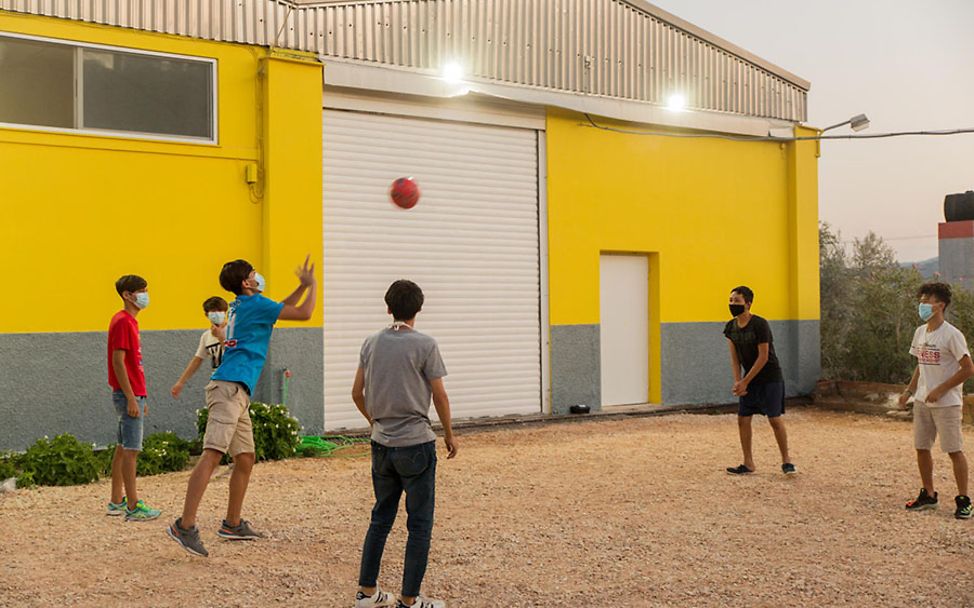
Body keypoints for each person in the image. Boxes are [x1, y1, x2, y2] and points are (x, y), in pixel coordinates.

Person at [167, 256, 316, 557]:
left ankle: (232, 524)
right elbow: (303, 313)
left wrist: (300, 286)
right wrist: (311, 287)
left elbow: (277, 309)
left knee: (245, 458)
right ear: (247, 283)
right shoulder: (256, 305)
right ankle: (185, 525)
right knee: (212, 454)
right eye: (253, 274)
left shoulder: (243, 305)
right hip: (229, 388)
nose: (258, 276)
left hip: (237, 390)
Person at [352, 280, 458, 608]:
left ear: (388, 308)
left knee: (380, 518)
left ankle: (367, 593)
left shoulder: (371, 343)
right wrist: (449, 434)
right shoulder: (425, 345)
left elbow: (357, 393)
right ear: (419, 309)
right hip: (416, 444)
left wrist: (376, 423)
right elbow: (439, 395)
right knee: (420, 523)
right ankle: (410, 600)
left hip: (381, 444)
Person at [899, 282, 973, 519]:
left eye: (927, 300)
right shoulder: (920, 332)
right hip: (922, 401)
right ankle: (928, 495)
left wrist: (941, 390)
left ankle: (964, 500)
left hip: (947, 404)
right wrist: (910, 391)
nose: (922, 304)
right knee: (921, 447)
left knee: (953, 449)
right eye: (921, 299)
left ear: (940, 305)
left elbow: (967, 369)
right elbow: (920, 365)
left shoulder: (952, 335)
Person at [723, 285, 796, 476]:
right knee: (743, 419)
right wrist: (739, 382)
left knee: (774, 419)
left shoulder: (760, 324)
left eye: (737, 301)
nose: (732, 304)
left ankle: (787, 461)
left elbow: (763, 356)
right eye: (731, 300)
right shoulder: (730, 327)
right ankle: (748, 463)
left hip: (770, 377)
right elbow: (734, 358)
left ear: (747, 303)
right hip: (749, 379)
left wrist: (746, 381)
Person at [106, 274, 162, 521]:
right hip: (127, 394)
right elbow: (118, 361)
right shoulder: (123, 321)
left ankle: (116, 500)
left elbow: (131, 363)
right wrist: (131, 398)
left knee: (122, 447)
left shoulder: (129, 321)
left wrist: (140, 396)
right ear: (127, 295)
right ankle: (132, 505)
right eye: (141, 291)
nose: (145, 295)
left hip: (133, 393)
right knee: (131, 450)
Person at [170, 296, 229, 399]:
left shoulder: (233, 330)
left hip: (234, 380)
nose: (217, 314)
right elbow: (197, 359)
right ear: (207, 314)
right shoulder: (206, 336)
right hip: (217, 381)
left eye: (220, 311)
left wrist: (220, 337)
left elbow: (233, 353)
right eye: (213, 311)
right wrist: (181, 382)